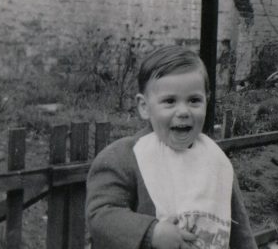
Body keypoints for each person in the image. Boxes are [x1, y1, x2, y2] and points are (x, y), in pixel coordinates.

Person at [86, 46, 258, 249]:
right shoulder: (124, 157)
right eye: (169, 101)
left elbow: (240, 230)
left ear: (207, 101)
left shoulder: (215, 161)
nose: (183, 111)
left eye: (194, 100)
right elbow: (101, 215)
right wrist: (152, 232)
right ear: (144, 106)